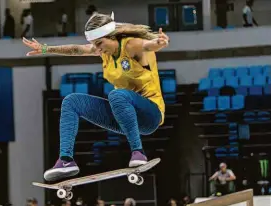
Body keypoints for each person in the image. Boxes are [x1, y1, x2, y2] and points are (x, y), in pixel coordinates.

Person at [23, 12, 168, 181]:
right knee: (71, 102)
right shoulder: (103, 51)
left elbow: (148, 45)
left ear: (111, 36)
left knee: (116, 95)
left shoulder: (130, 45)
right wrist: (46, 49)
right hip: (125, 116)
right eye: (94, 45)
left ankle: (138, 152)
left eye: (99, 44)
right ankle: (66, 160)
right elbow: (78, 49)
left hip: (150, 114)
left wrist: (160, 43)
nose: (97, 50)